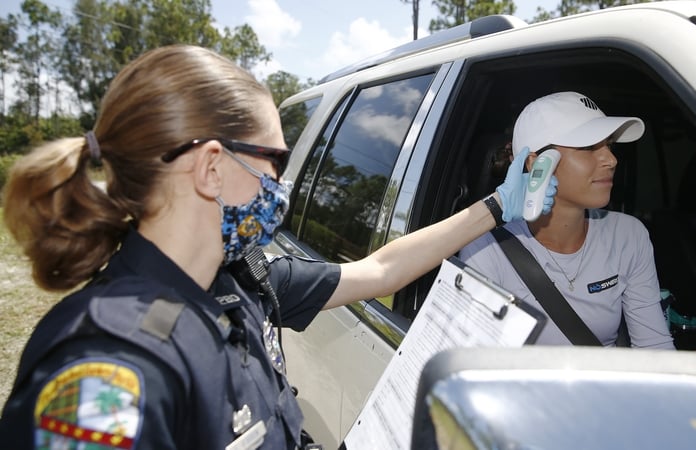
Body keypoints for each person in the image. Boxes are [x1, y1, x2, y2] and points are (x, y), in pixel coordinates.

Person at [0, 45, 550, 449]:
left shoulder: (244, 278)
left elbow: (381, 270)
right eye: (274, 163)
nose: (279, 186)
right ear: (212, 166)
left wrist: (498, 206)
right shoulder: (111, 369)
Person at [459, 92, 696, 379]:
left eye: (609, 145)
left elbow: (654, 351)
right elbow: (480, 374)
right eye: (589, 147)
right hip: (538, 412)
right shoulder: (485, 249)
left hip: (612, 395)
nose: (611, 159)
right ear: (536, 163)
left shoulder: (628, 234)